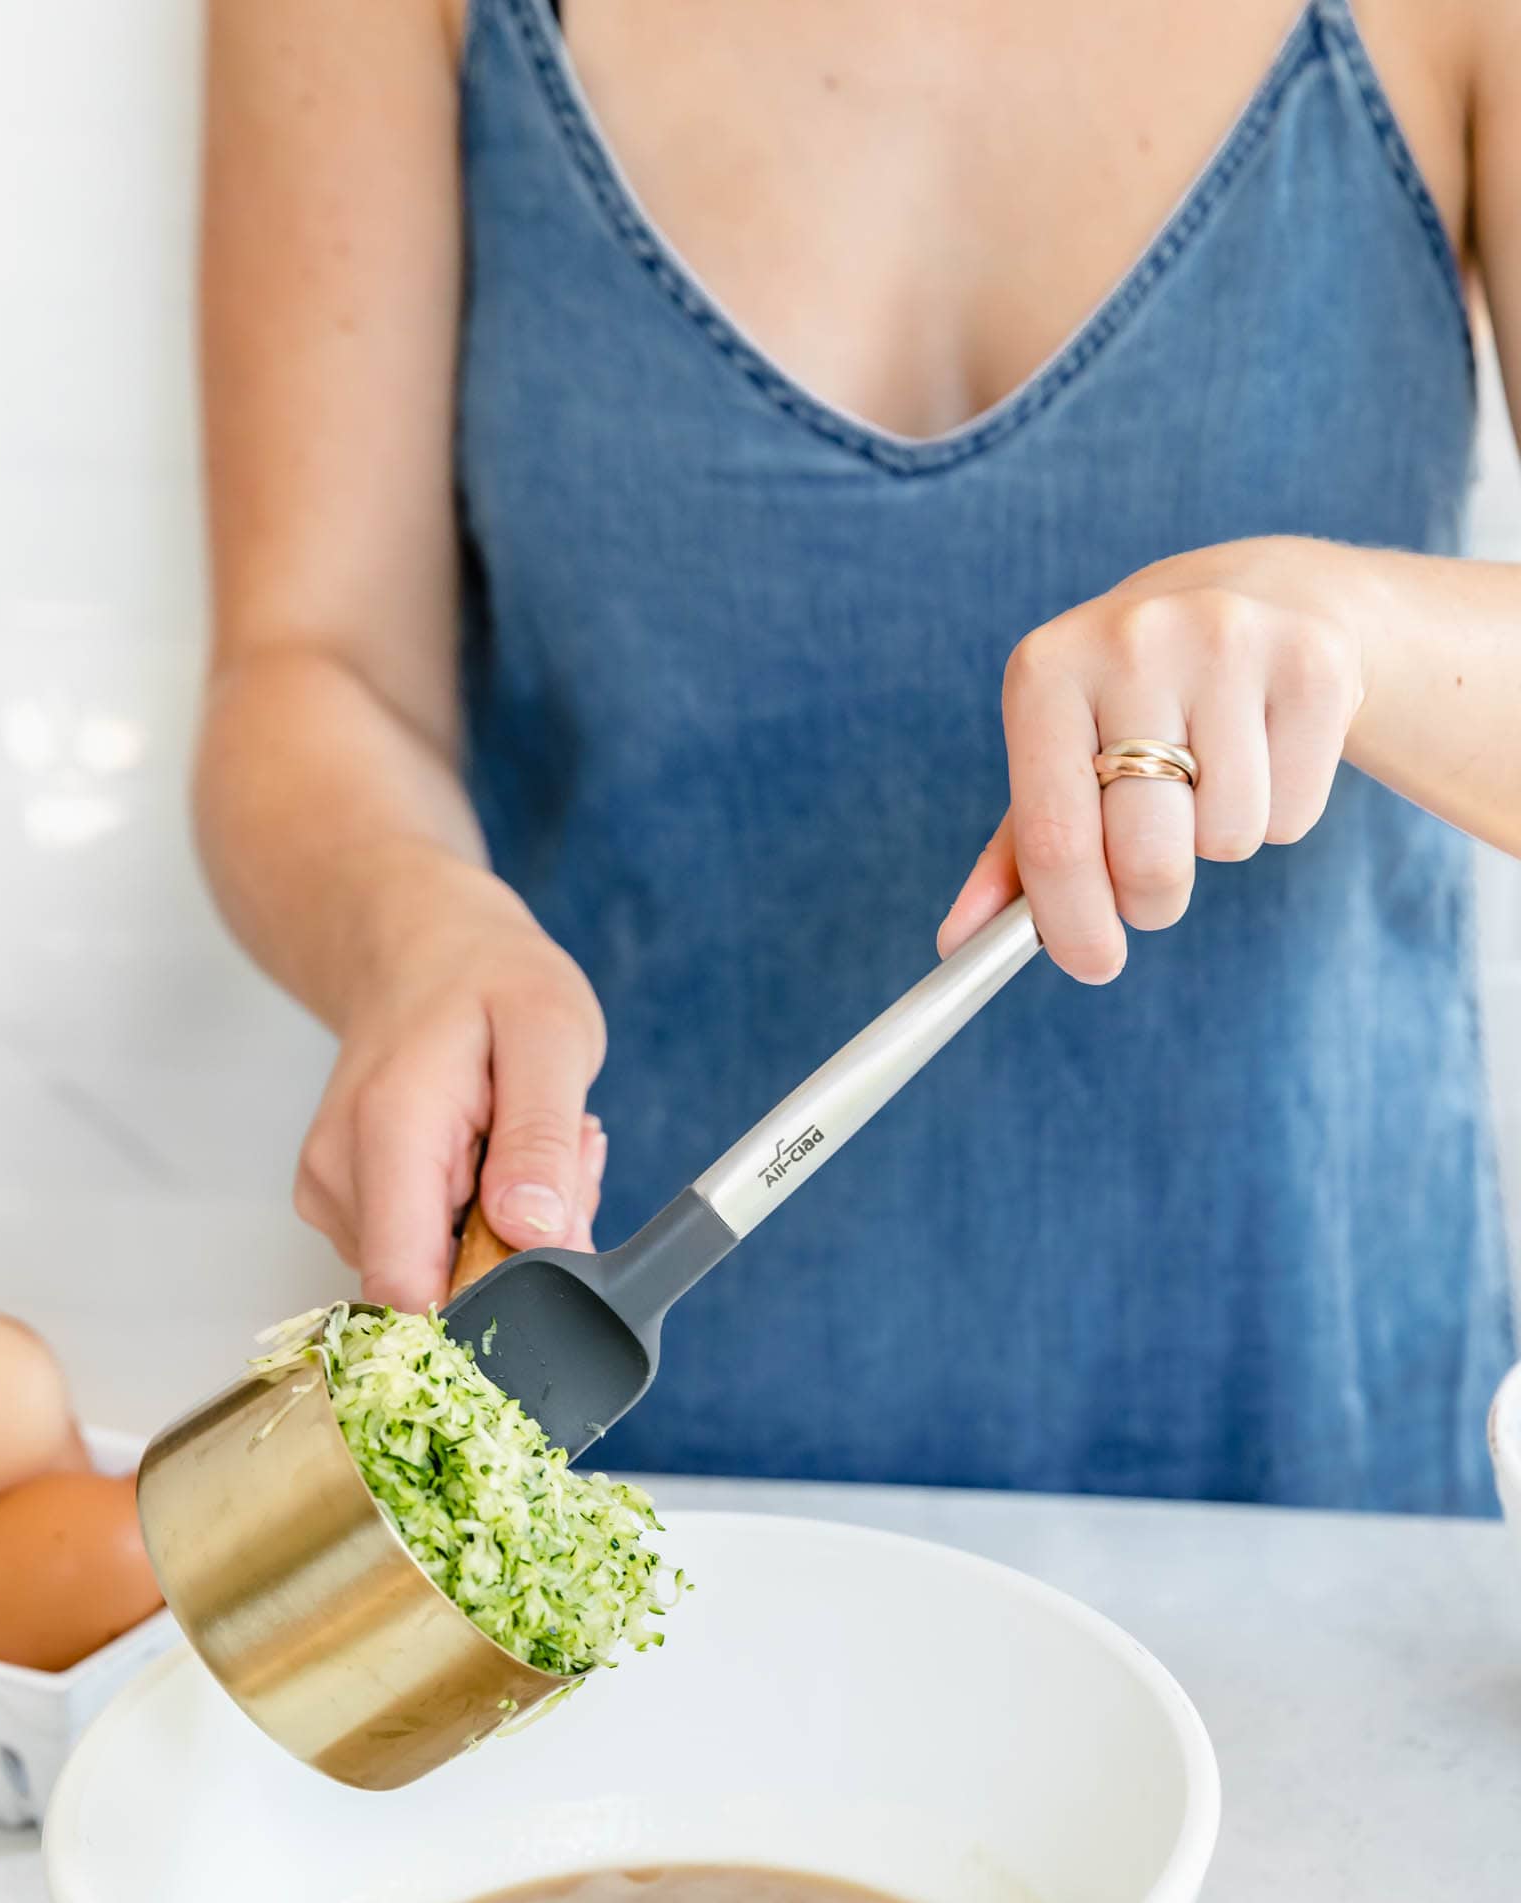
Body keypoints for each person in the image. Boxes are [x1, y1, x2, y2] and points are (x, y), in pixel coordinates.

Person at [194, 0, 1521, 1510]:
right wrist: (404, 931)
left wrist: (1357, 632)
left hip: (1307, 1461)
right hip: (635, 1485)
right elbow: (311, 666)